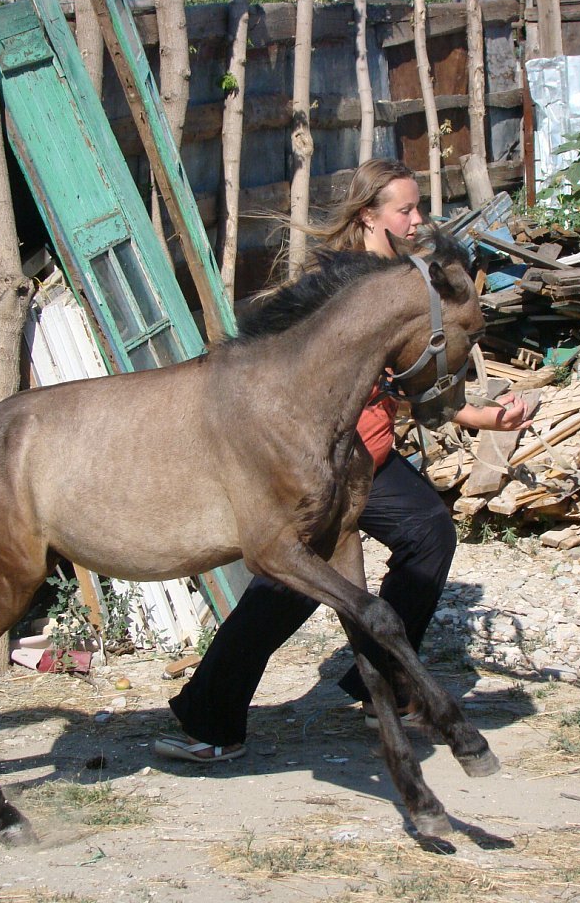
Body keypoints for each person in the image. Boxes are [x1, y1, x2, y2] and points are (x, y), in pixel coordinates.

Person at [154, 159, 534, 764]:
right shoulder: (328, 290)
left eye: (419, 209)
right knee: (294, 582)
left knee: (429, 532)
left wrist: (487, 418)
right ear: (368, 216)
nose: (417, 222)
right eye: (404, 210)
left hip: (371, 455)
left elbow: (418, 383)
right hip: (314, 459)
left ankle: (378, 680)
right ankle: (207, 715)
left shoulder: (409, 281)